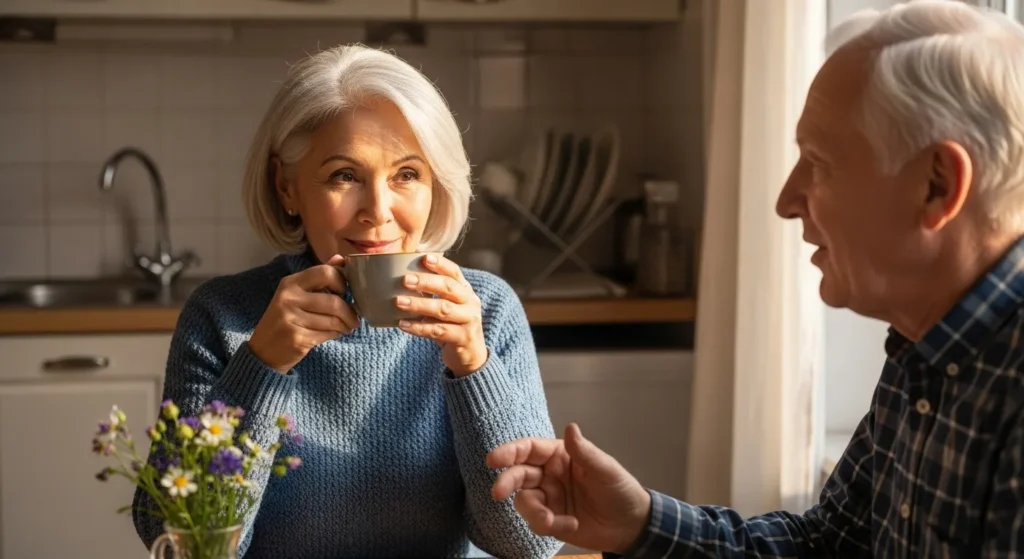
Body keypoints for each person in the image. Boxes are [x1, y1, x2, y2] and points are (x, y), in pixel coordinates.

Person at [486, 1, 1024, 557]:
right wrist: (638, 523)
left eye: (819, 161)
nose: (787, 201)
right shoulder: (923, 351)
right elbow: (828, 546)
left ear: (937, 185)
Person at [132, 44, 563, 559]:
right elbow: (180, 544)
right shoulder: (222, 316)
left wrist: (473, 366)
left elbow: (531, 542)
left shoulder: (486, 310)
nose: (378, 212)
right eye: (345, 176)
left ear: (435, 185)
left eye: (407, 174)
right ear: (286, 186)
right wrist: (262, 364)